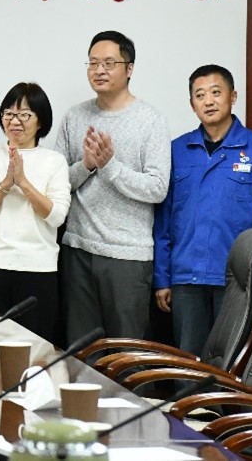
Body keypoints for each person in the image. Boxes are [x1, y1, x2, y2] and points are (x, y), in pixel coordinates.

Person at [154, 64, 252, 355]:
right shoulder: (176, 151)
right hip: (185, 277)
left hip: (238, 280)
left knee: (233, 360)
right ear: (192, 104)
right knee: (188, 361)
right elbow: (163, 222)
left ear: (233, 96)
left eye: (216, 92)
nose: (208, 101)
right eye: (200, 95)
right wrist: (162, 278)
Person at [55, 30, 171, 342]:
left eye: (109, 63)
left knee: (126, 352)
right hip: (78, 249)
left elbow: (157, 187)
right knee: (81, 351)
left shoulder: (151, 120)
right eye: (93, 63)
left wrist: (110, 167)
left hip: (127, 256)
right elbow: (57, 183)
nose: (99, 70)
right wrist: (86, 165)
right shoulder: (74, 116)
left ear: (129, 68)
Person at [0, 82, 71, 339]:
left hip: (37, 269)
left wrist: (22, 182)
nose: (15, 121)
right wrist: (5, 184)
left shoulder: (54, 161)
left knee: (34, 350)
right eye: (9, 114)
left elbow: (57, 217)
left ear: (40, 120)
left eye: (24, 115)